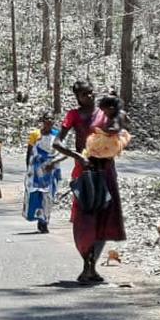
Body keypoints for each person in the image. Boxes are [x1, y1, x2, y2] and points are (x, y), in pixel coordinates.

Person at [50, 81, 127, 284]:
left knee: (104, 219)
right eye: (85, 94)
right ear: (78, 96)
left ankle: (90, 267)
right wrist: (77, 156)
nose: (90, 96)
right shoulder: (73, 116)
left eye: (91, 92)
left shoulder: (104, 112)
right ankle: (87, 263)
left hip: (106, 170)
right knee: (84, 221)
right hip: (84, 172)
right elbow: (57, 143)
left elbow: (119, 125)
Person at [23, 113, 61, 233]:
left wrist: (56, 167)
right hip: (36, 171)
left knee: (49, 196)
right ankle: (40, 218)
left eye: (51, 120)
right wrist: (28, 169)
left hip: (51, 170)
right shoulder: (35, 135)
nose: (49, 122)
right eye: (47, 120)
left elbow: (60, 151)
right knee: (37, 195)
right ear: (43, 121)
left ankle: (44, 221)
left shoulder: (57, 134)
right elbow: (29, 152)